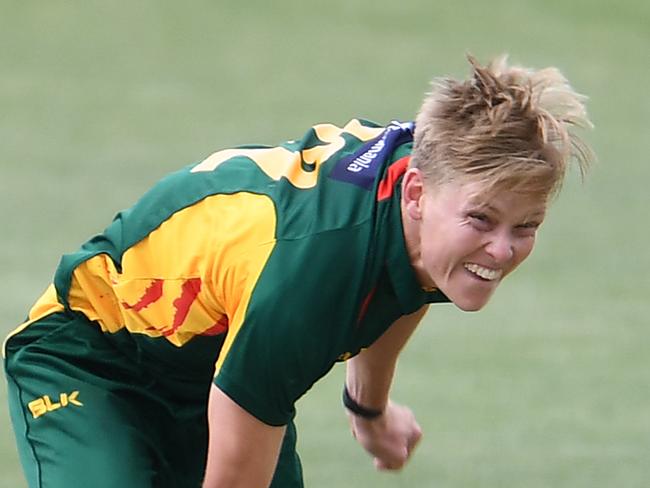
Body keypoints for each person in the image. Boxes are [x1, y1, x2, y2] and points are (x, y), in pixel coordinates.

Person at [3, 55, 593, 488]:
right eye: (483, 220)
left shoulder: (431, 192)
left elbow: (403, 281)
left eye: (527, 227)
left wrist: (369, 408)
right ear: (415, 192)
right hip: (93, 360)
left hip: (219, 356)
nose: (500, 249)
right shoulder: (312, 274)